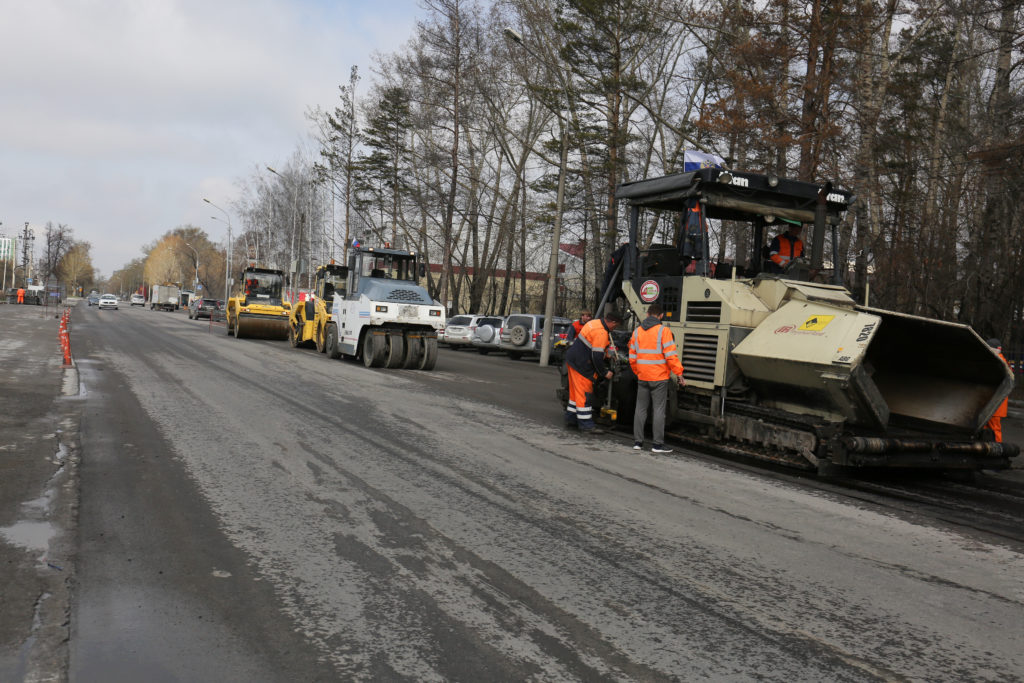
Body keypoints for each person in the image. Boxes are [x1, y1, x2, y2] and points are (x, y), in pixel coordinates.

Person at [629, 303, 685, 453]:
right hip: (659, 378)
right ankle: (657, 445)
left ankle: (638, 443)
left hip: (643, 376)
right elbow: (671, 356)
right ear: (660, 316)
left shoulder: (636, 332)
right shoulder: (664, 331)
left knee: (640, 409)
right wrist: (679, 373)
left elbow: (632, 357)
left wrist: (638, 371)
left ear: (647, 315)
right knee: (658, 410)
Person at [564, 311, 623, 433]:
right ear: (611, 322)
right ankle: (586, 425)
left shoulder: (594, 323)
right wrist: (604, 372)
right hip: (582, 365)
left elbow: (592, 345)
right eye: (616, 325)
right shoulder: (601, 332)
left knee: (575, 395)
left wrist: (606, 352)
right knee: (584, 395)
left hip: (573, 360)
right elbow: (596, 356)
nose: (615, 328)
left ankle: (571, 419)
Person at [985, 338, 1010, 443]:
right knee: (988, 427)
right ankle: (988, 448)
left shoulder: (998, 362)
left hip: (995, 403)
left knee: (994, 428)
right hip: (994, 402)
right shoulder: (1000, 360)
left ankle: (998, 449)